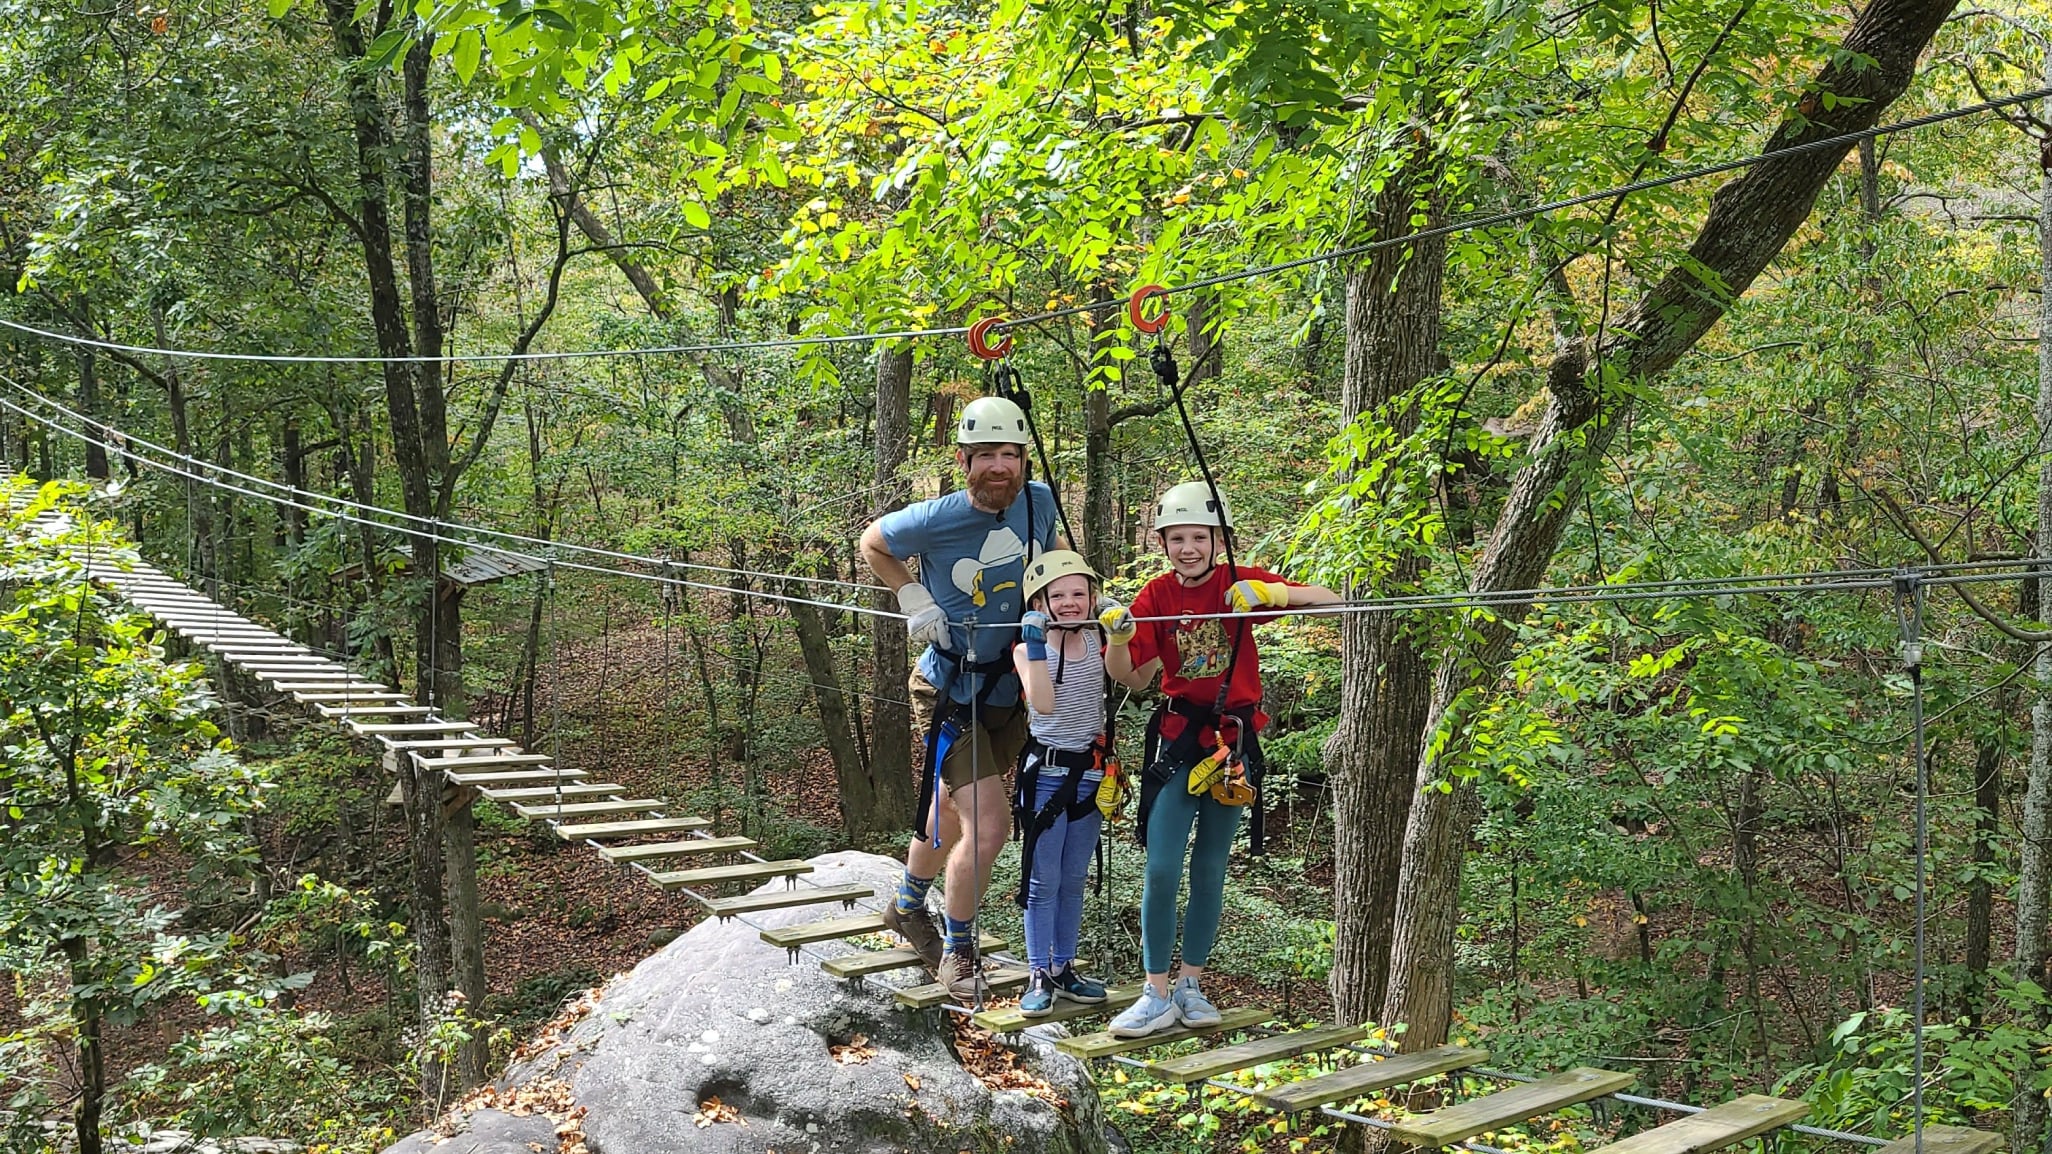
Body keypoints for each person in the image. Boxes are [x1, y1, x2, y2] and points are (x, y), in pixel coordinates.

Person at [1100, 481, 1340, 1038]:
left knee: (1210, 868)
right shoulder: (1155, 597)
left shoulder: (1240, 583)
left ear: (1217, 540)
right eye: (1177, 538)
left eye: (1199, 537)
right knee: (1162, 868)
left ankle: (1191, 985)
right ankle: (1154, 991)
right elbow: (1132, 678)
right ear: (1163, 544)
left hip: (1233, 743)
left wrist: (1274, 597)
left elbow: (1335, 600)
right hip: (1181, 738)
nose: (1188, 548)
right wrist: (1117, 639)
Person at [860, 395, 1060, 1001]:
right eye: (986, 456)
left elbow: (1044, 570)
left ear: (1023, 459)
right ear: (963, 459)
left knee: (951, 810)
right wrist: (912, 595)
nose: (999, 467)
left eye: (1010, 455)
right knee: (991, 826)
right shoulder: (934, 518)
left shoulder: (1040, 503)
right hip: (948, 688)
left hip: (1007, 684)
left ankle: (905, 906)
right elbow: (874, 542)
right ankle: (960, 951)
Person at [1010, 550, 1119, 1017]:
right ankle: (1038, 970)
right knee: (1043, 879)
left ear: (1092, 597)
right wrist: (1036, 645)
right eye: (1059, 595)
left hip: (1091, 772)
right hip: (1048, 773)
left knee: (1074, 878)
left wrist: (1118, 625)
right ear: (1041, 601)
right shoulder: (1026, 648)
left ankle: (1063, 966)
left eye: (1079, 594)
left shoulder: (1098, 639)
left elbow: (1130, 673)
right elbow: (1045, 703)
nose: (1070, 603)